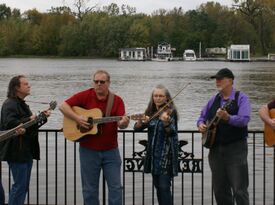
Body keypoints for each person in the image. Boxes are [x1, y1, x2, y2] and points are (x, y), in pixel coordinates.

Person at [59, 70, 129, 205]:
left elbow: (121, 123)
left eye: (102, 82)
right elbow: (63, 106)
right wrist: (78, 118)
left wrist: (124, 122)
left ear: (108, 83)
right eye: (96, 81)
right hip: (88, 151)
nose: (98, 84)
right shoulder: (85, 95)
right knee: (89, 190)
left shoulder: (117, 100)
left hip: (111, 151)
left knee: (116, 188)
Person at [197, 68, 251, 205]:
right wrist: (201, 125)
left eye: (220, 79)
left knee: (239, 189)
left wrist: (228, 118)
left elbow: (244, 120)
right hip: (215, 150)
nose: (217, 81)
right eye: (216, 79)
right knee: (220, 190)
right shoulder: (213, 99)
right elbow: (201, 117)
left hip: (236, 149)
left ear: (231, 80)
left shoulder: (241, 98)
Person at [0, 75, 51, 205]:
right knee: (19, 186)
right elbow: (9, 124)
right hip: (16, 151)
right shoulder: (10, 104)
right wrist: (29, 119)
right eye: (25, 84)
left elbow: (28, 128)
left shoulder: (21, 104)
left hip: (25, 151)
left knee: (23, 187)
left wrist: (41, 118)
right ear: (17, 87)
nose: (29, 86)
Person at [133, 84, 179, 205]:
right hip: (153, 156)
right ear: (152, 97)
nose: (158, 98)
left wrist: (166, 122)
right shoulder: (150, 112)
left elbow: (172, 133)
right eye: (155, 96)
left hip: (166, 156)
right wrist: (140, 122)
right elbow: (137, 129)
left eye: (161, 96)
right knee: (158, 186)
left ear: (166, 98)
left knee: (164, 187)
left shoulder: (171, 112)